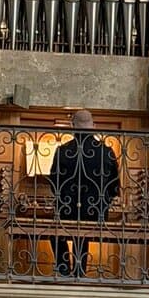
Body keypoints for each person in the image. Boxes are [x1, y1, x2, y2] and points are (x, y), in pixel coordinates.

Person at [48, 110, 120, 277]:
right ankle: (79, 272)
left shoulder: (62, 150)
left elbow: (53, 182)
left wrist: (64, 197)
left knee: (53, 231)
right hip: (96, 212)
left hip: (67, 209)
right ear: (94, 126)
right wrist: (104, 202)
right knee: (82, 234)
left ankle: (64, 269)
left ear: (72, 126)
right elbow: (114, 185)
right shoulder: (106, 151)